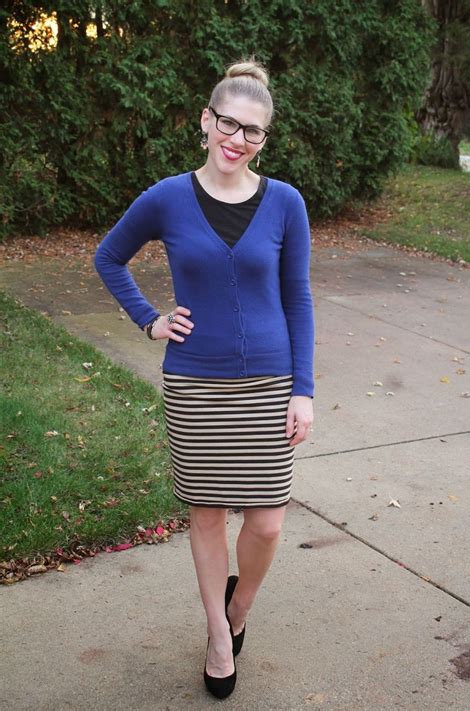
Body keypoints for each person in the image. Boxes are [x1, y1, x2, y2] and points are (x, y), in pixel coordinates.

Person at [94, 56, 315, 699]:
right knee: (209, 515)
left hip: (270, 382)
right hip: (195, 384)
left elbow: (297, 297)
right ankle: (219, 634)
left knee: (268, 522)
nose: (237, 139)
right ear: (205, 120)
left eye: (253, 131)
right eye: (228, 123)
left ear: (264, 138)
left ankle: (239, 607)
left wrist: (304, 389)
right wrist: (149, 320)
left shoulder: (285, 203)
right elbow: (109, 256)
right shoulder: (166, 196)